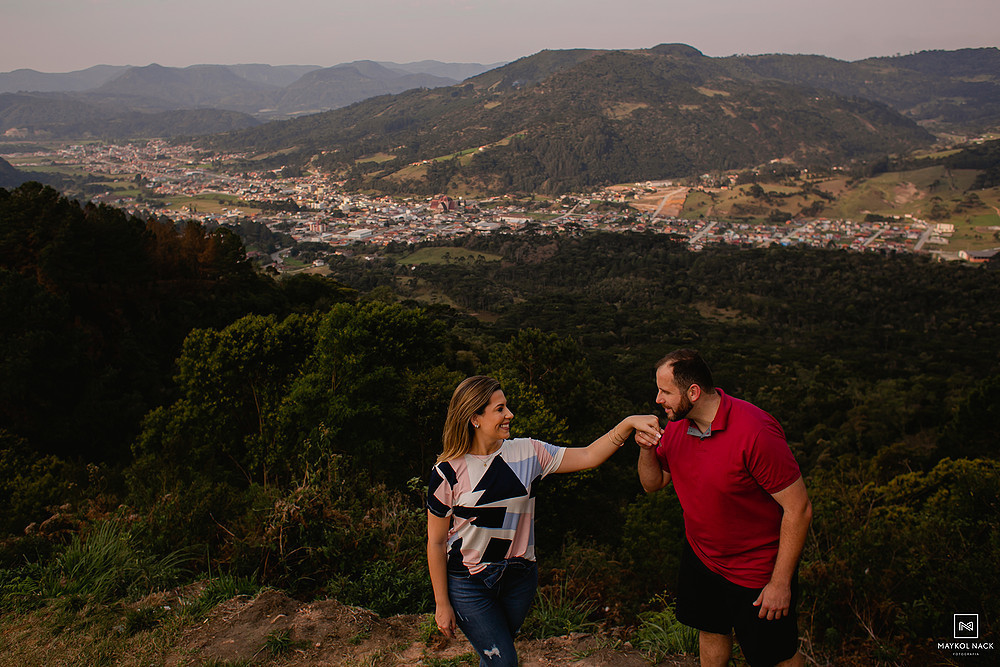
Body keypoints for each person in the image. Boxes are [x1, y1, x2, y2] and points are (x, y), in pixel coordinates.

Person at [427, 375, 661, 667]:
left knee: (496, 655)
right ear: (475, 417)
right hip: (469, 583)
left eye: (507, 407)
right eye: (500, 409)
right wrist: (442, 603)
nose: (509, 414)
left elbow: (589, 455)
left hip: (519, 578)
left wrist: (627, 424)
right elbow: (436, 542)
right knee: (504, 661)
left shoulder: (529, 453)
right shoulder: (447, 472)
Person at [635, 349, 813, 667]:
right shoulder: (677, 425)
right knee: (712, 630)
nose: (658, 399)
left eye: (665, 391)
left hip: (756, 569)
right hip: (702, 555)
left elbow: (798, 509)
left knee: (775, 655)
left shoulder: (755, 432)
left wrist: (780, 583)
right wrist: (647, 450)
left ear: (693, 392)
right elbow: (653, 483)